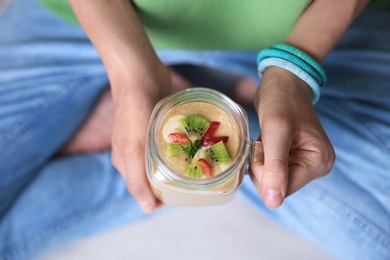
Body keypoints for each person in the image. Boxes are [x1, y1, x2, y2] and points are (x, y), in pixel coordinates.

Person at [0, 0, 389, 259]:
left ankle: (163, 145)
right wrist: (129, 71)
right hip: (97, 20)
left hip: (317, 26)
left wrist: (294, 71)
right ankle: (163, 141)